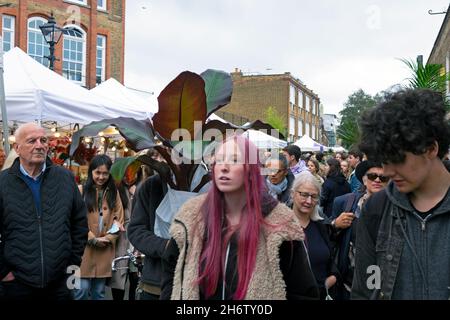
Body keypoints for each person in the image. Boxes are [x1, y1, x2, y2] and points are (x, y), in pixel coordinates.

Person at [161, 135, 319, 300]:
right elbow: (171, 272)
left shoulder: (280, 223)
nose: (224, 167)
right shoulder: (192, 216)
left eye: (235, 160)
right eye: (219, 160)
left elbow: (303, 291)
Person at [352, 89, 450, 300]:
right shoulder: (376, 209)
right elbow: (368, 288)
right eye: (384, 161)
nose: (386, 172)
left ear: (431, 149)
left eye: (397, 159)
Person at [0, 123, 88, 300]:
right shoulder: (3, 183)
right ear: (17, 148)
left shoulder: (65, 178)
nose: (39, 145)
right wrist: (3, 272)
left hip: (60, 282)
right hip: (17, 284)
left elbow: (79, 225)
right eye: (32, 141)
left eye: (43, 140)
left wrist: (72, 265)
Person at [330, 160, 389, 299]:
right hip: (348, 279)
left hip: (380, 279)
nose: (377, 180)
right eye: (372, 176)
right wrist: (335, 224)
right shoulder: (344, 203)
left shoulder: (395, 210)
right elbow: (327, 236)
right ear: (364, 179)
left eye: (383, 177)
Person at [73, 154, 124, 300]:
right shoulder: (80, 191)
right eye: (98, 172)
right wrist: (91, 238)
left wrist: (108, 238)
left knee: (99, 293)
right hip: (83, 249)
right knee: (80, 291)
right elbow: (75, 221)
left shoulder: (114, 193)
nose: (101, 177)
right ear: (91, 172)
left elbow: (119, 220)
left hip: (104, 249)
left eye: (105, 173)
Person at [291, 172, 339, 299]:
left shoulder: (321, 226)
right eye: (304, 195)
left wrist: (330, 281)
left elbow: (331, 261)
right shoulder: (280, 228)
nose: (309, 201)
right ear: (293, 194)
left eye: (314, 196)